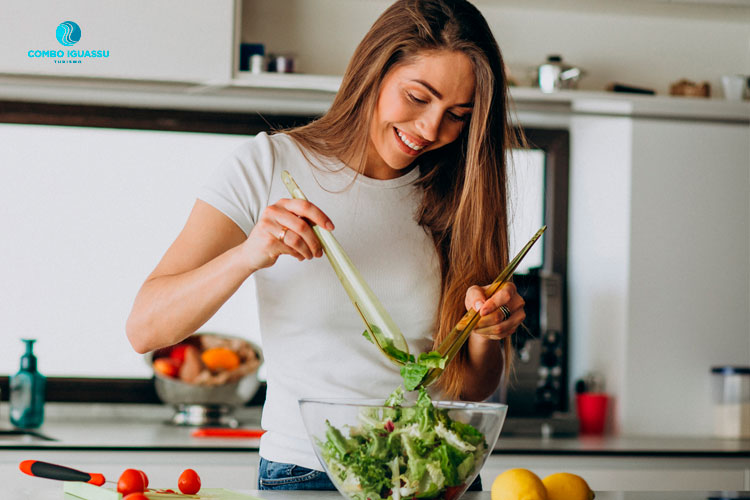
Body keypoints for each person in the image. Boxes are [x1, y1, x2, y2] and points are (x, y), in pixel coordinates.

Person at [126, 0, 526, 491]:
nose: (430, 130)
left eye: (457, 116)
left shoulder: (462, 195)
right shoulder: (268, 166)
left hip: (437, 472)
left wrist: (487, 332)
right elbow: (146, 327)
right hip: (308, 472)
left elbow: (470, 387)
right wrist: (250, 253)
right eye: (418, 97)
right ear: (375, 71)